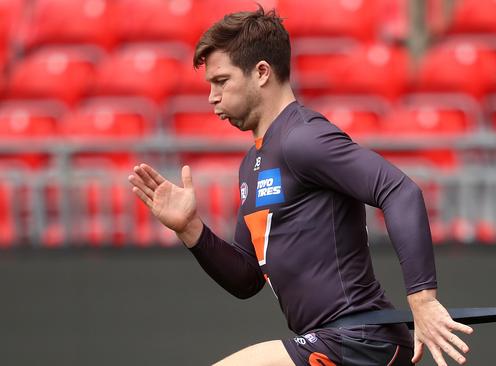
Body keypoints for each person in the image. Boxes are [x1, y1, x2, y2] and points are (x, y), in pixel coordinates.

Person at [128, 6, 472, 366]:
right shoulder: (251, 165)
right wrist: (191, 229)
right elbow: (247, 278)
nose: (212, 97)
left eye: (221, 81)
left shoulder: (303, 138)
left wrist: (423, 300)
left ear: (262, 72)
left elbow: (399, 190)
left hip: (359, 340)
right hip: (338, 344)